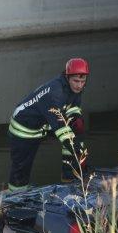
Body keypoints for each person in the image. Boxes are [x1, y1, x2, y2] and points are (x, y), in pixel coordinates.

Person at [7, 58, 90, 190]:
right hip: (24, 128)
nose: (79, 85)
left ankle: (69, 174)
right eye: (76, 81)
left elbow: (72, 106)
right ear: (67, 77)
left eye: (82, 81)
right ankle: (15, 196)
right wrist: (79, 152)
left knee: (76, 128)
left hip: (44, 123)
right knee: (22, 168)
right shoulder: (55, 92)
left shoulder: (74, 89)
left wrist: (77, 119)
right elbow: (61, 129)